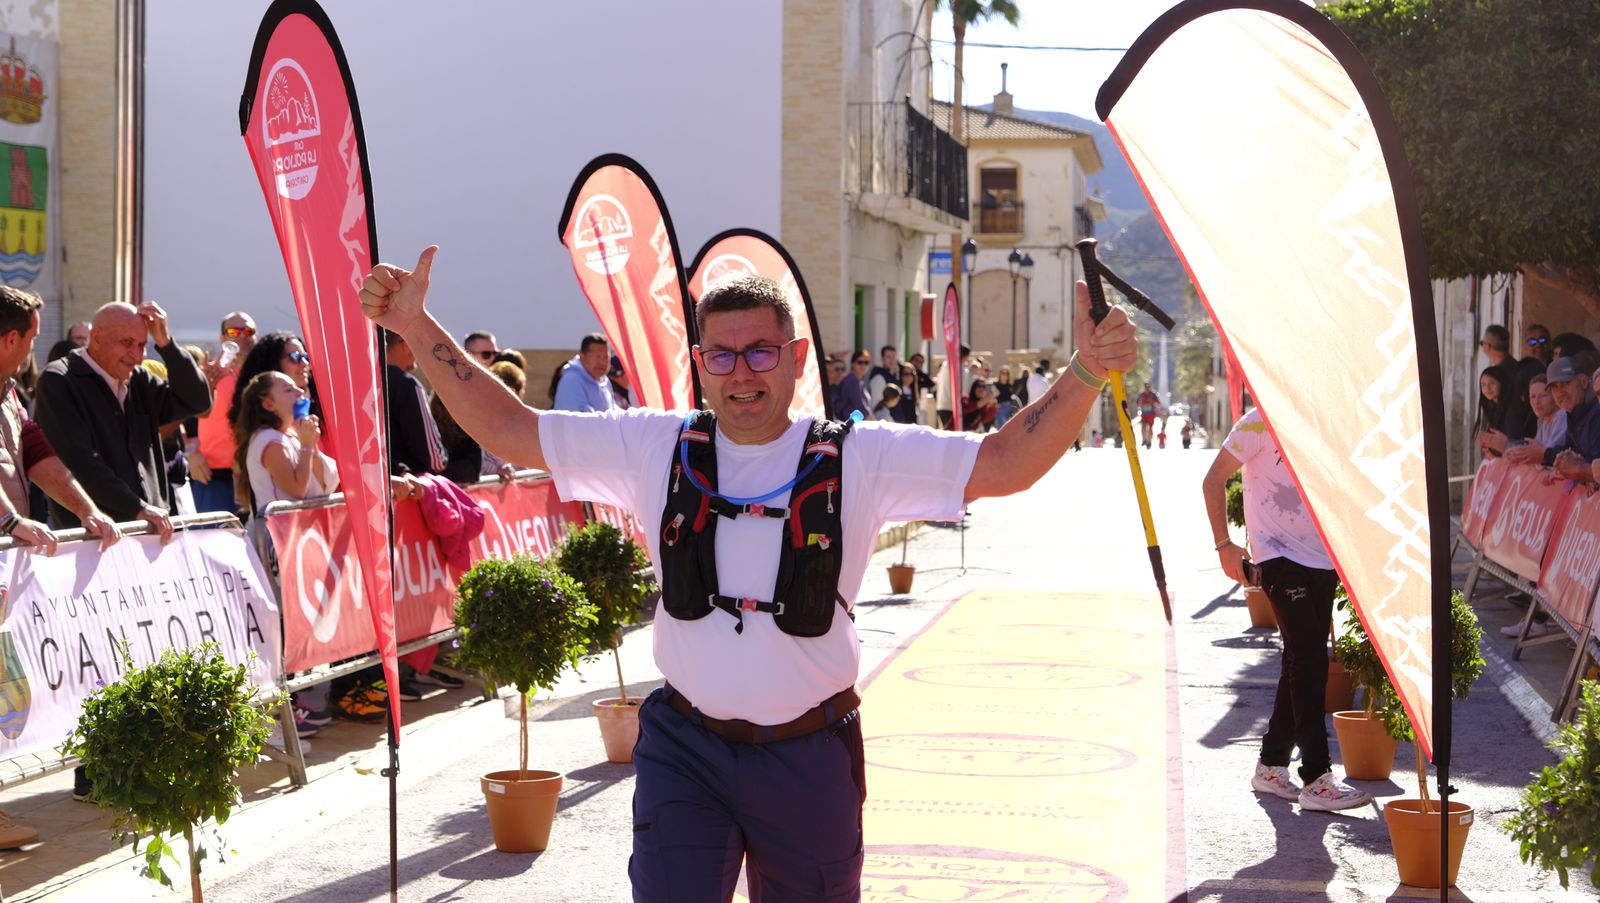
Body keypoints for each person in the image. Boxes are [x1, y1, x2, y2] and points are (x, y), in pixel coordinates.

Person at [359, 248, 1136, 900]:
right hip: (686, 749)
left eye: (761, 351)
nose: (742, 374)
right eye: (723, 355)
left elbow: (1004, 461)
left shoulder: (859, 454)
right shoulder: (653, 443)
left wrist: (1086, 370)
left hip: (808, 756)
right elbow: (516, 430)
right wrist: (416, 328)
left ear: (796, 357)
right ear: (701, 363)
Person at [1201, 407, 1373, 812]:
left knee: (1299, 657)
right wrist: (1224, 544)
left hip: (1323, 559)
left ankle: (1271, 765)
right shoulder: (1258, 422)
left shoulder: (1327, 421)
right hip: (1278, 558)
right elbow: (1212, 480)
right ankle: (1316, 777)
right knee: (1311, 658)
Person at [33, 301, 208, 535]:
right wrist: (138, 508)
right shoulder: (59, 380)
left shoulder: (139, 379)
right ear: (96, 338)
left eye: (142, 345)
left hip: (151, 532)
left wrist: (166, 343)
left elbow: (196, 402)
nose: (136, 356)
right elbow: (79, 461)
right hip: (95, 539)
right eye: (127, 343)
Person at [189, 311, 257, 516]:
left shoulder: (266, 375)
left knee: (261, 545)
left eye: (248, 330)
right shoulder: (209, 373)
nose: (242, 335)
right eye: (234, 331)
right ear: (222, 338)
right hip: (213, 474)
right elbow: (176, 416)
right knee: (214, 543)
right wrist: (190, 454)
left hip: (257, 473)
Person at [385, 329, 448, 480]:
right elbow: (436, 461)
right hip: (411, 493)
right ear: (405, 345)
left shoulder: (356, 385)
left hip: (367, 488)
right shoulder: (408, 385)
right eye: (417, 343)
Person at [553, 333, 618, 413]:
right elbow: (580, 420)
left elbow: (613, 411)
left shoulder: (604, 380)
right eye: (597, 357)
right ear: (582, 356)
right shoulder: (572, 380)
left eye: (606, 357)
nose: (602, 362)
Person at [839, 351, 871, 420]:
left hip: (858, 423)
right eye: (860, 362)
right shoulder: (851, 381)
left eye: (866, 363)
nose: (863, 365)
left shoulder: (860, 381)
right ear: (852, 364)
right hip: (850, 425)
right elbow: (860, 406)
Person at [866, 344, 898, 409]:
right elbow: (878, 402)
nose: (891, 360)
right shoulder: (878, 375)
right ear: (882, 358)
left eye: (893, 357)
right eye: (888, 357)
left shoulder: (895, 373)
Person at [1136, 382, 1160, 448]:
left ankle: (1149, 441)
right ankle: (1144, 440)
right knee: (1143, 427)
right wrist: (1141, 403)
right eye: (1146, 387)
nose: (1147, 388)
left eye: (1148, 387)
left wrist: (1151, 401)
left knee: (1150, 429)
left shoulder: (1153, 395)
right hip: (1144, 414)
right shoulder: (1141, 395)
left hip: (1151, 414)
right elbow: (1137, 402)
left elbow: (1158, 402)